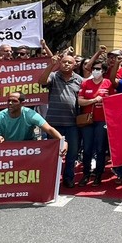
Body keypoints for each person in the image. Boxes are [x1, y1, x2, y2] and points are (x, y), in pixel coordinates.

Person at [39, 50, 83, 188]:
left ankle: (68, 178)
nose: (66, 64)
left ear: (75, 65)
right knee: (53, 154)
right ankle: (52, 179)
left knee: (72, 153)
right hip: (53, 123)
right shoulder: (53, 75)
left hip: (72, 123)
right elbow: (41, 81)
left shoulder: (79, 80)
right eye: (64, 62)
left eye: (70, 62)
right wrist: (50, 66)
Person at [76, 57, 112, 185]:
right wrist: (94, 100)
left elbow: (113, 100)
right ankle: (86, 174)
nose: (95, 71)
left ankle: (98, 174)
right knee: (87, 148)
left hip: (102, 120)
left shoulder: (108, 83)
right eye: (94, 69)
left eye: (98, 69)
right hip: (87, 121)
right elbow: (80, 101)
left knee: (100, 149)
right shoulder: (86, 83)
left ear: (103, 71)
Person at [0, 92, 65, 145]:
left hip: (28, 147)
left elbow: (49, 129)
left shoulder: (30, 114)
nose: (10, 103)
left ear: (22, 104)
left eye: (14, 101)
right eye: (9, 101)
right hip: (8, 148)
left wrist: (63, 141)